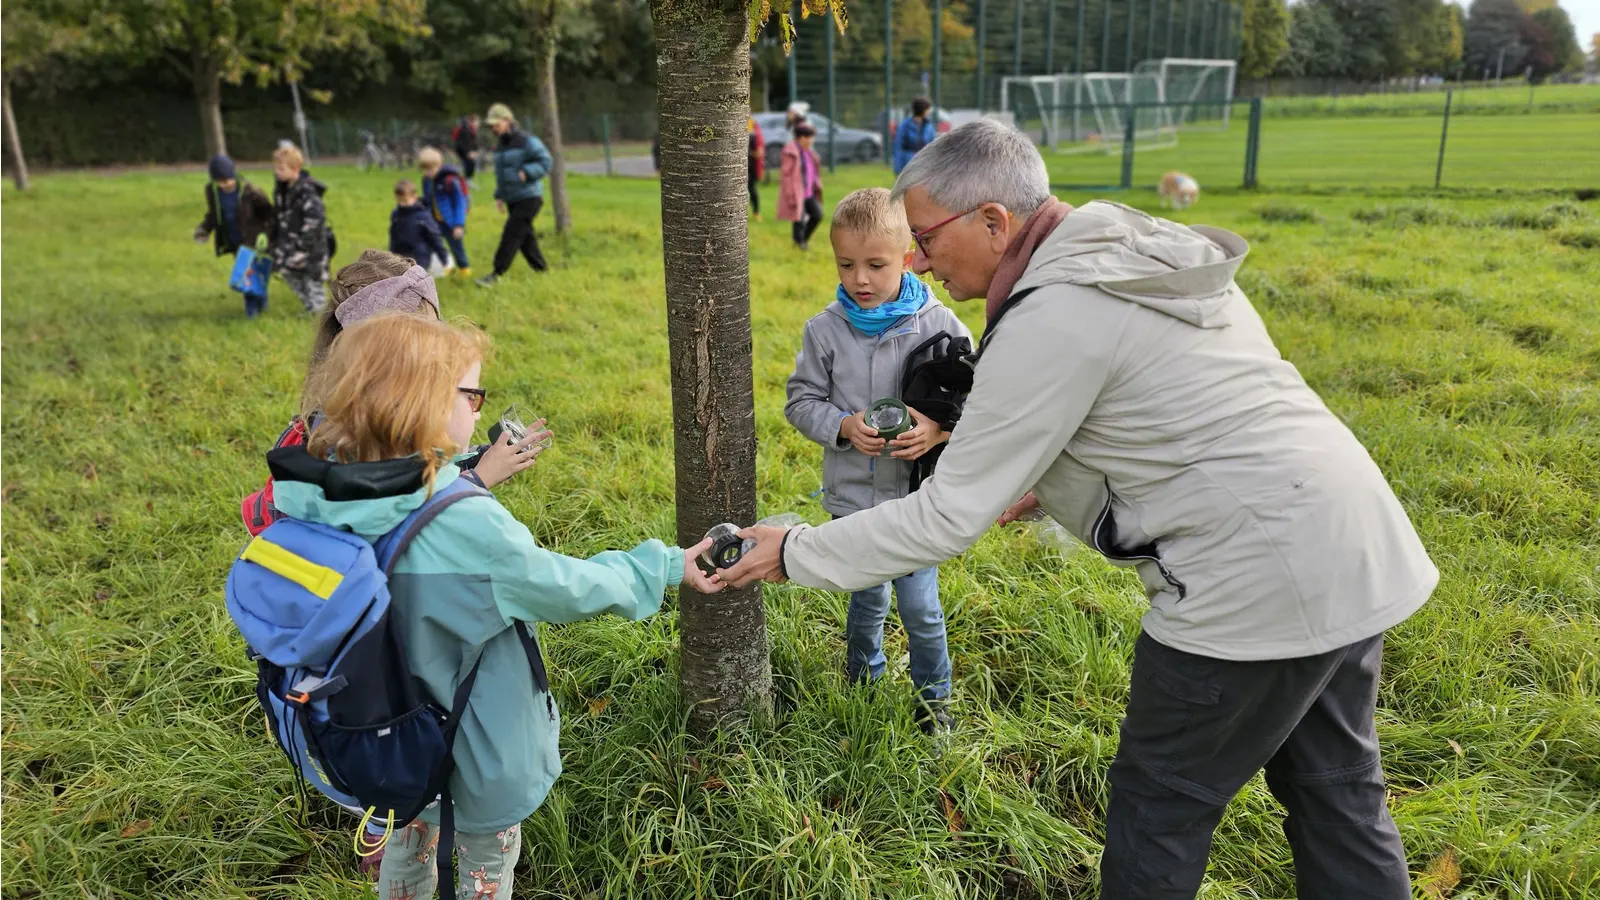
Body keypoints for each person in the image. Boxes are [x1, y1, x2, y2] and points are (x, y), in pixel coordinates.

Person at [719, 120, 1436, 900]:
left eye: (925, 238)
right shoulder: (1129, 252)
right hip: (1352, 541)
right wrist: (1045, 486)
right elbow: (1161, 413)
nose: (919, 259)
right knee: (1337, 790)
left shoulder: (1052, 314)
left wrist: (790, 550)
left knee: (1158, 809)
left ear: (994, 221)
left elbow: (942, 519)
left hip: (1248, 585)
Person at [270, 312, 722, 899]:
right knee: (486, 860)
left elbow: (407, 498)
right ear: (422, 404)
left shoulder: (321, 489)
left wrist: (464, 471)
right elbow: (564, 586)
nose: (480, 408)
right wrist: (661, 565)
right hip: (470, 747)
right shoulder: (465, 522)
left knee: (408, 841)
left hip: (379, 736)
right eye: (472, 394)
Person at [784, 187, 970, 734]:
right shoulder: (824, 330)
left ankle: (935, 706)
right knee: (865, 600)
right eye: (846, 264)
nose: (859, 279)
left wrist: (938, 431)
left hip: (917, 503)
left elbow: (982, 399)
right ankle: (861, 685)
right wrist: (842, 427)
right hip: (854, 501)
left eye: (876, 265)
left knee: (921, 609)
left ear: (908, 259)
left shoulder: (941, 325)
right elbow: (800, 401)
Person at [242, 250, 548, 539]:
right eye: (427, 333)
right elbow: (399, 525)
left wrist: (481, 456)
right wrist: (479, 479)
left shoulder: (365, 402)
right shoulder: (350, 433)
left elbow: (417, 470)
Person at [476, 102, 553, 289]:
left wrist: (527, 171)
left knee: (512, 234)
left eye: (497, 124)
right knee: (525, 237)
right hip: (513, 198)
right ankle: (542, 270)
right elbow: (502, 174)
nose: (493, 128)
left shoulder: (527, 141)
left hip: (529, 197)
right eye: (492, 125)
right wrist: (500, 195)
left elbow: (546, 161)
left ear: (508, 121)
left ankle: (496, 273)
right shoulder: (501, 145)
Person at [193, 154, 275, 317]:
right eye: (220, 181)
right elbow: (213, 214)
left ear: (234, 175)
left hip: (252, 241)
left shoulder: (251, 192)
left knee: (249, 274)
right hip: (233, 241)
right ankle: (257, 302)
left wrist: (266, 234)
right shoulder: (213, 192)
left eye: (227, 180)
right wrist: (204, 229)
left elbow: (269, 214)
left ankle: (253, 308)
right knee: (245, 275)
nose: (224, 184)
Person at [270, 143, 330, 314]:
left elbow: (315, 222)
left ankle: (321, 315)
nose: (277, 172)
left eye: (281, 169)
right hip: (288, 244)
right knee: (289, 273)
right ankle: (310, 307)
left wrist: (303, 245)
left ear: (295, 169)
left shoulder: (307, 192)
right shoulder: (282, 191)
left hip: (310, 248)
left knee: (312, 280)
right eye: (276, 168)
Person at [419, 146, 472, 277]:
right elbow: (428, 198)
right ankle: (445, 266)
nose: (428, 173)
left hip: (450, 222)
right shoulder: (426, 180)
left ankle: (464, 269)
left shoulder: (450, 180)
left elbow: (460, 203)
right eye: (425, 170)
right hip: (433, 220)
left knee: (456, 247)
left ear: (439, 165)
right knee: (432, 244)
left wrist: (459, 225)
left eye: (431, 169)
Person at [389, 179, 451, 274]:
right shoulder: (396, 215)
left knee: (415, 283)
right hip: (400, 255)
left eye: (405, 201)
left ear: (414, 197)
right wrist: (390, 255)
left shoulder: (423, 217)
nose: (402, 204)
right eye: (399, 201)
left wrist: (444, 259)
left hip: (420, 258)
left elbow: (435, 238)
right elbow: (393, 236)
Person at [779, 123, 823, 251]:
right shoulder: (790, 152)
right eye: (809, 137)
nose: (811, 140)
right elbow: (786, 176)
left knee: (817, 215)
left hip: (809, 192)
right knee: (798, 218)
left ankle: (802, 239)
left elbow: (813, 170)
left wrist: (816, 183)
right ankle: (799, 245)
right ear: (801, 138)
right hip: (797, 192)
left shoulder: (809, 152)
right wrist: (789, 195)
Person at [893, 97, 936, 175]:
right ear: (923, 110)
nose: (930, 111)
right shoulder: (904, 125)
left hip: (924, 164)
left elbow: (933, 146)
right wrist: (898, 168)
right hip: (908, 164)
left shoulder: (929, 126)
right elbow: (898, 147)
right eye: (928, 109)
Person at [452, 112, 481, 181]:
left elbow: (473, 142)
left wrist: (476, 151)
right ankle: (465, 180)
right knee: (469, 163)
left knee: (471, 163)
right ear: (472, 121)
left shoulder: (472, 130)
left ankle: (467, 180)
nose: (478, 123)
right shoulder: (467, 130)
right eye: (477, 121)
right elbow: (464, 143)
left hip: (466, 151)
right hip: (462, 150)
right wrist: (469, 153)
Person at [748, 117, 765, 220]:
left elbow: (759, 145)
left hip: (751, 166)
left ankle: (756, 212)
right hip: (742, 164)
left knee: (752, 189)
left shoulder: (753, 124)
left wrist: (758, 152)